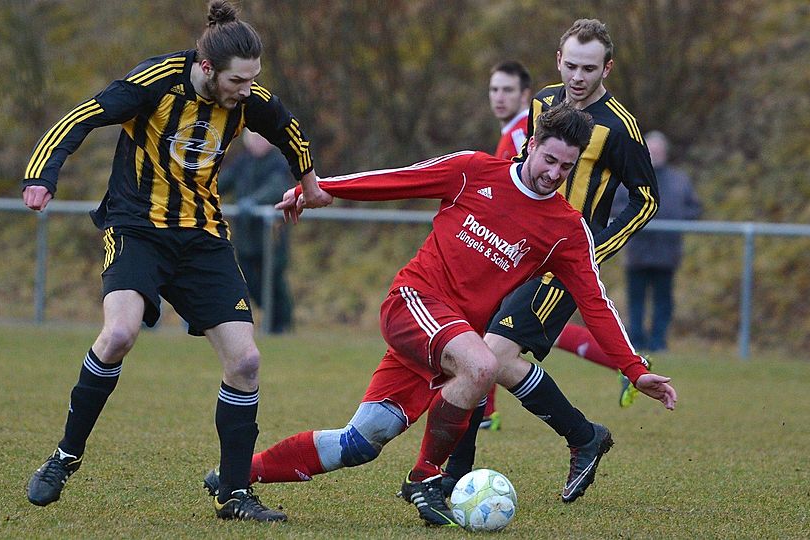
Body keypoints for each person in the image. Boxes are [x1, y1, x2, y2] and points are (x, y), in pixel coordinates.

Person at [203, 105, 678, 526]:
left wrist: (635, 371)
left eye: (566, 167)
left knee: (361, 442)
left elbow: (595, 302)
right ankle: (426, 479)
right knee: (483, 365)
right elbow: (398, 179)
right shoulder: (473, 171)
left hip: (450, 340)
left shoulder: (565, 229)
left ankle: (237, 473)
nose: (554, 173)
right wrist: (321, 188)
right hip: (413, 302)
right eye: (549, 159)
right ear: (530, 145)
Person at [20, 0, 331, 523]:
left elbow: (287, 129)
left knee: (247, 362)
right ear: (207, 68)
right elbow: (84, 115)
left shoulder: (246, 98)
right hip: (137, 227)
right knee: (118, 335)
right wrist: (42, 174)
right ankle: (64, 457)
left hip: (202, 237)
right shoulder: (156, 81)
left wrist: (311, 186)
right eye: (237, 80)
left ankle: (234, 495)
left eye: (253, 80)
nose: (246, 90)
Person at [443, 18, 661, 491]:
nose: (578, 78)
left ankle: (457, 475)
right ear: (558, 61)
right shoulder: (542, 102)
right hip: (513, 252)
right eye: (571, 66)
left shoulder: (618, 128)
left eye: (590, 68)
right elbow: (524, 169)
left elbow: (646, 199)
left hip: (560, 263)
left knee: (489, 356)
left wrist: (593, 252)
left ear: (607, 68)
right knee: (474, 352)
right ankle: (580, 437)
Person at [480, 60, 534, 431]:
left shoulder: (520, 136)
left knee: (500, 325)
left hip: (515, 250)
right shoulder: (511, 132)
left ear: (524, 95)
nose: (500, 97)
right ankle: (483, 412)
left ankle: (483, 411)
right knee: (506, 325)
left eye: (508, 90)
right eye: (495, 90)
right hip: (507, 247)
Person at [612, 131, 701, 352]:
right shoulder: (630, 178)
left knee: (663, 301)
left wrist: (676, 220)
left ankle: (658, 342)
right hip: (637, 253)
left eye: (659, 151)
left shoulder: (679, 180)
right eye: (651, 150)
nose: (655, 155)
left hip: (667, 253)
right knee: (636, 302)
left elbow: (694, 208)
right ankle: (637, 341)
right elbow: (614, 206)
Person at [217, 129, 296, 334]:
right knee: (250, 280)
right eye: (254, 139)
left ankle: (282, 323)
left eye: (262, 139)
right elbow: (221, 183)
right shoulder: (242, 163)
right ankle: (270, 319)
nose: (258, 143)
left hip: (271, 236)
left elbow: (277, 187)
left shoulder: (277, 163)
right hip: (246, 237)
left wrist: (255, 202)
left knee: (274, 279)